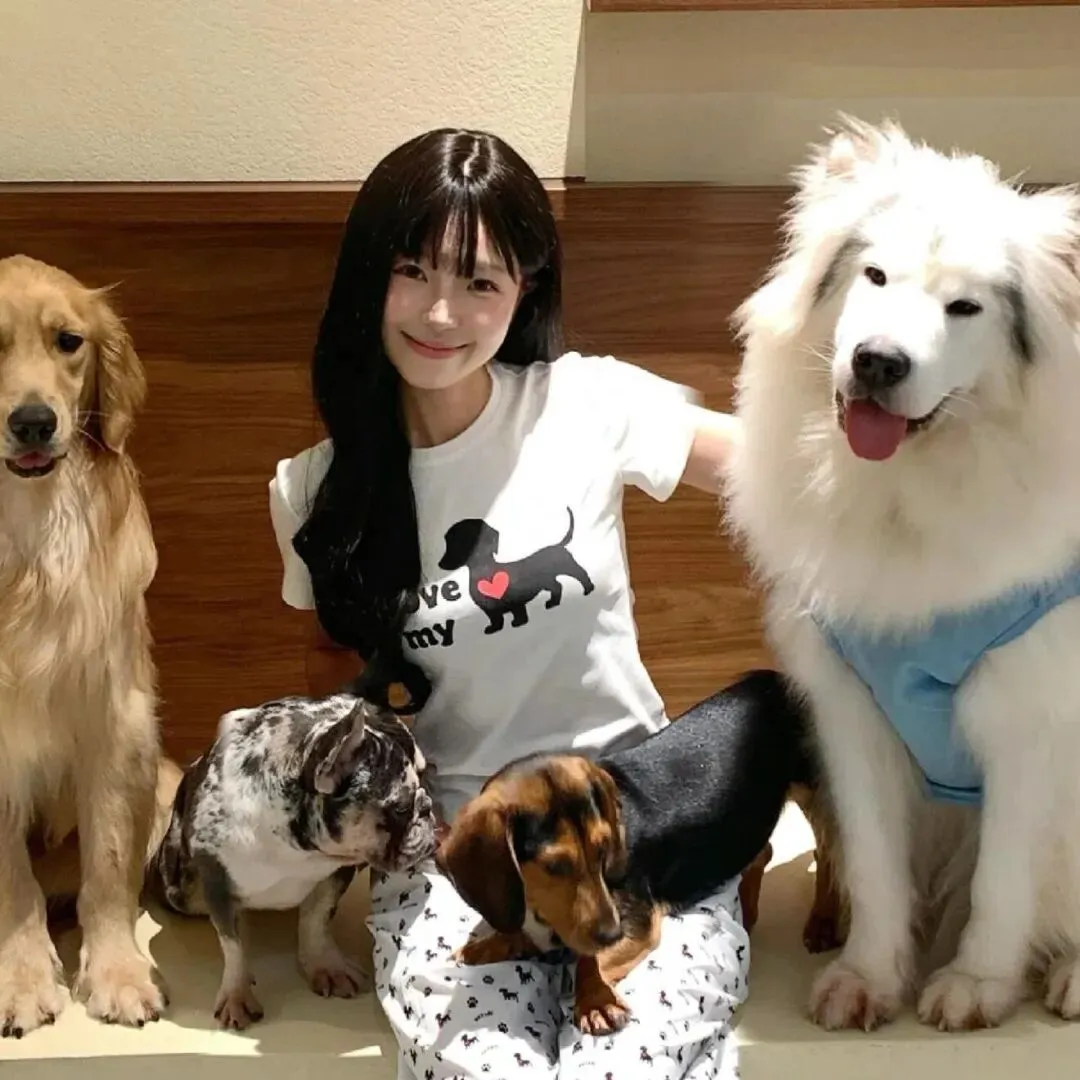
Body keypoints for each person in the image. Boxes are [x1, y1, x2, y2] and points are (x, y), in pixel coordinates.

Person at [269, 127, 748, 1080]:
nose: (441, 312)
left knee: (626, 1068)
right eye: (412, 271)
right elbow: (332, 684)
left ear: (525, 289)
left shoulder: (586, 403)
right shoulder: (311, 490)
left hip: (631, 827)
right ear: (367, 276)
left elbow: (776, 473)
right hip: (460, 856)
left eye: (480, 281)